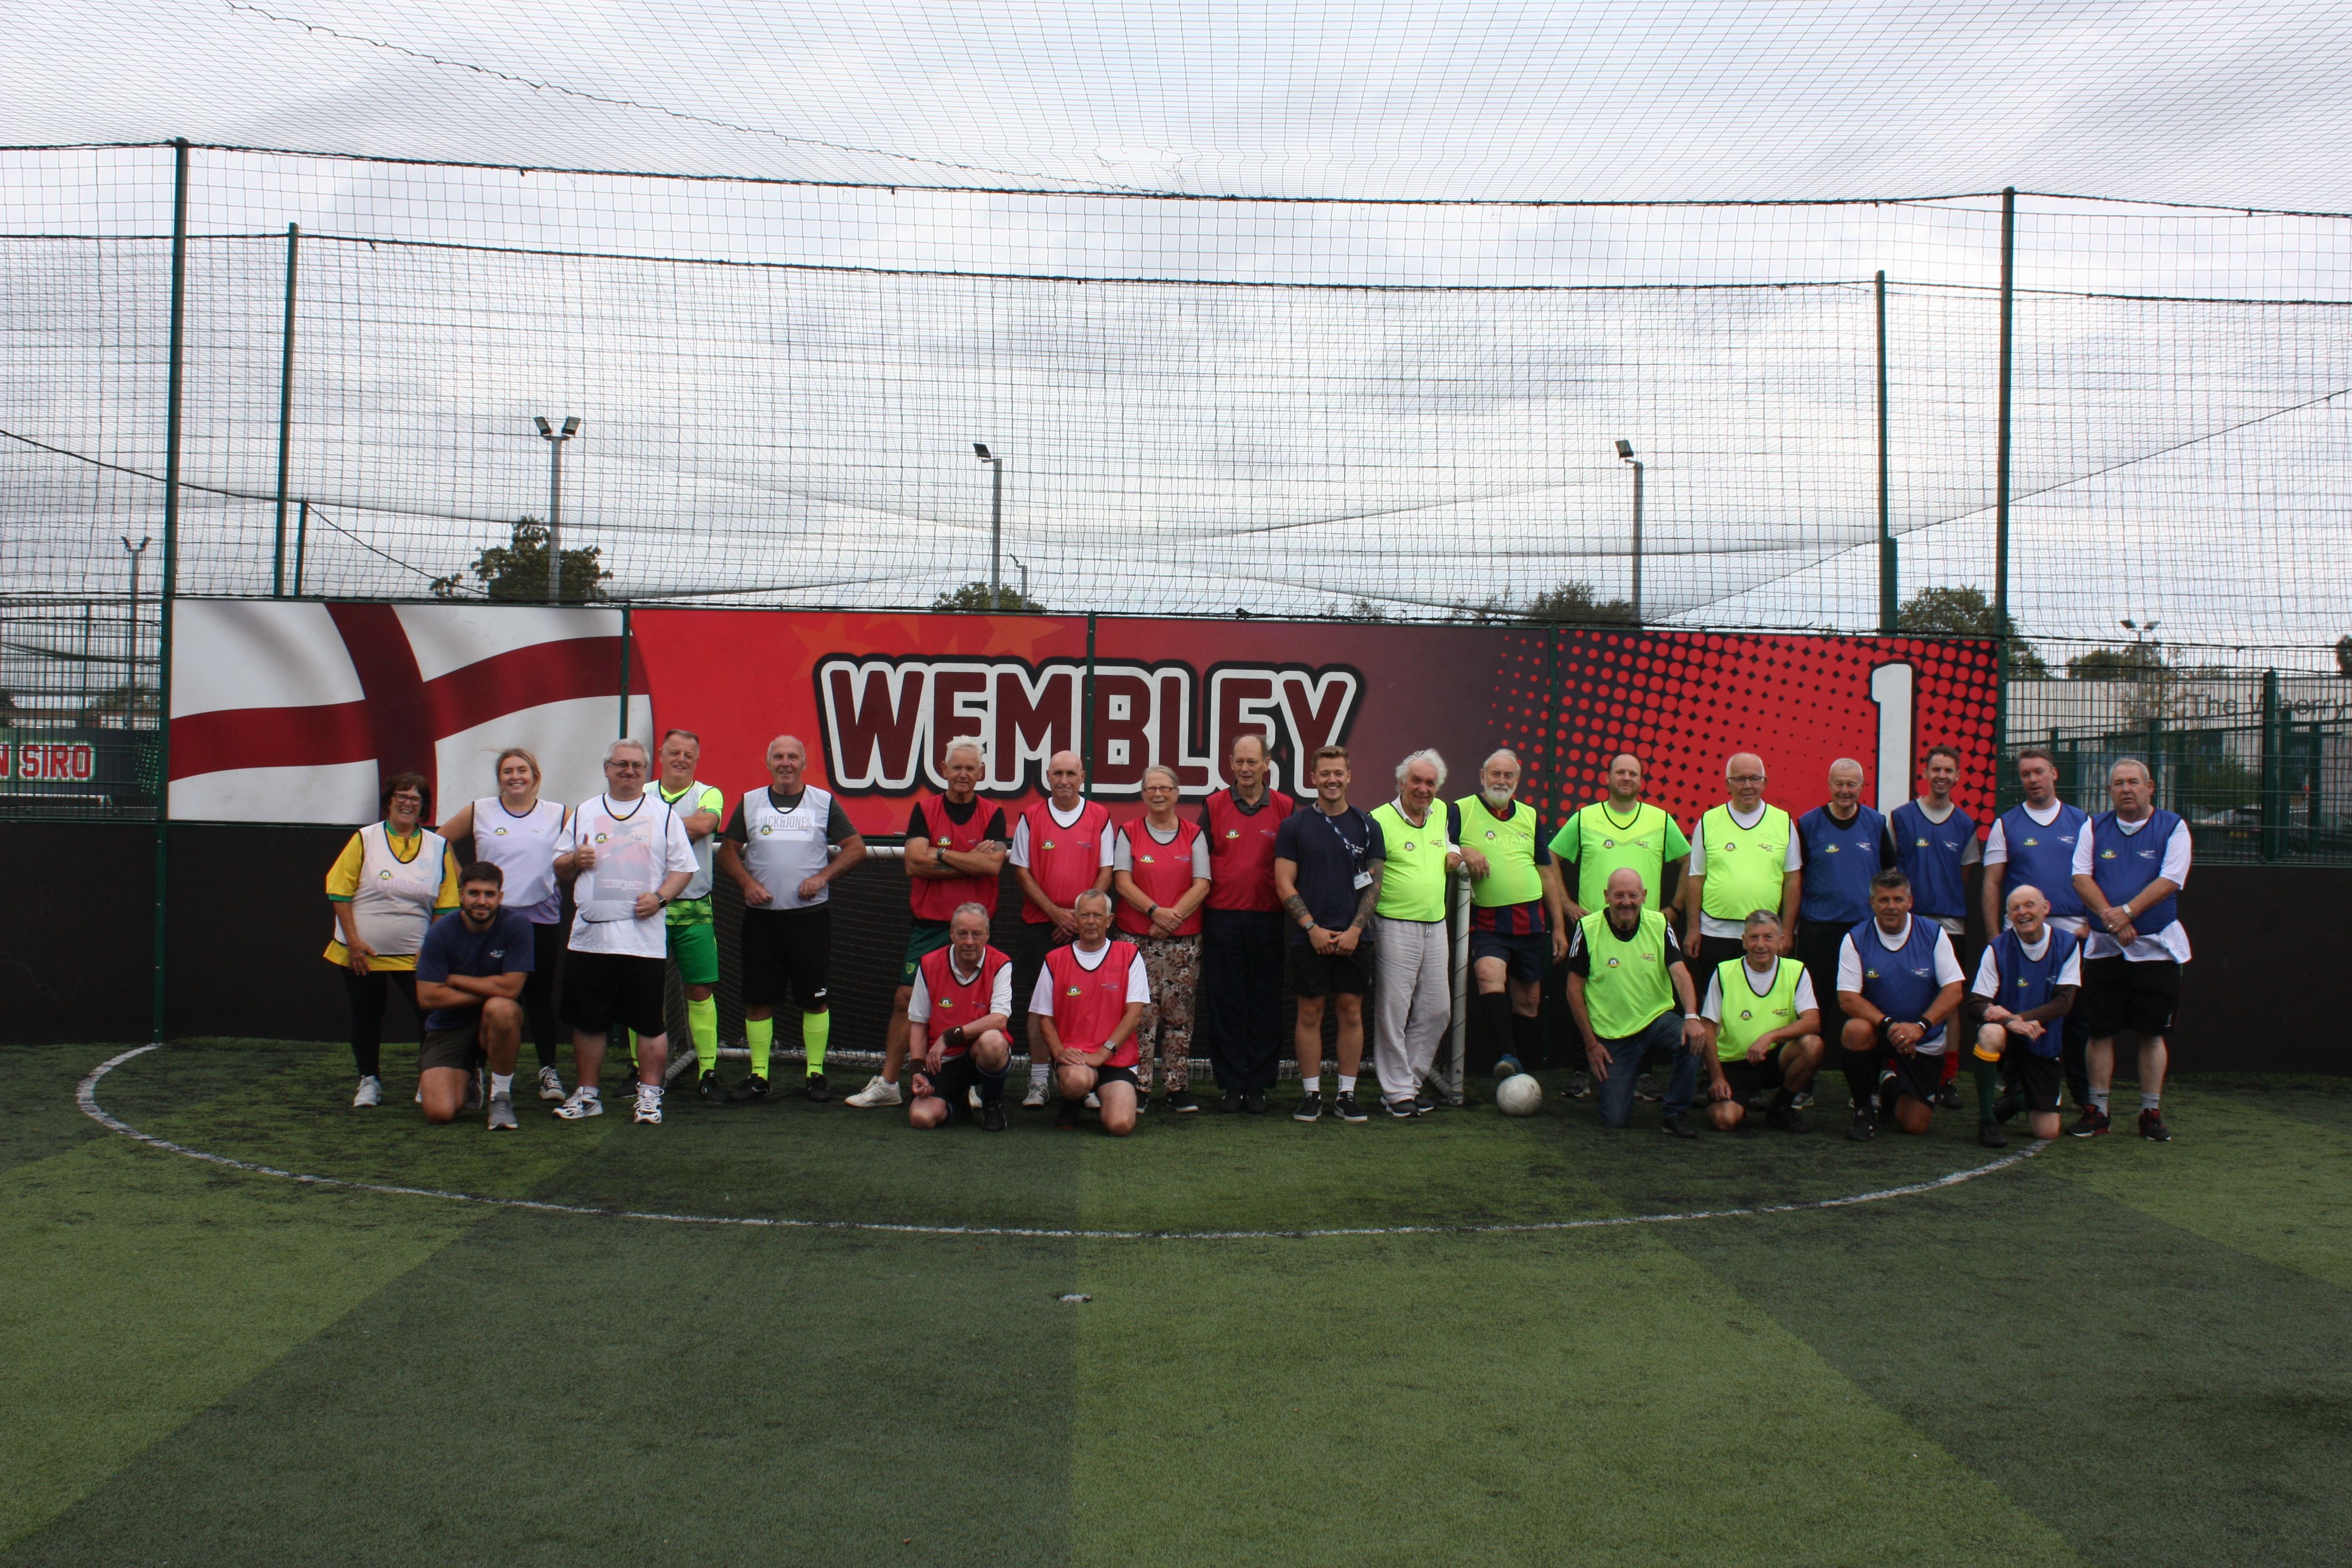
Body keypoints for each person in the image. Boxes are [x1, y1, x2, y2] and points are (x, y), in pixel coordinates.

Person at [846, 739, 1009, 1109]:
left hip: (974, 929)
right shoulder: (925, 809)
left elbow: (992, 866)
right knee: (905, 1000)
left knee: (973, 1009)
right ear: (944, 769)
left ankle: (964, 1081)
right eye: (957, 767)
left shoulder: (993, 813)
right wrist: (965, 858)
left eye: (971, 768)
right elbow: (913, 864)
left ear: (981, 773)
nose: (963, 774)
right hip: (930, 924)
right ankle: (889, 1083)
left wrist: (939, 853)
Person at [550, 738, 698, 1125]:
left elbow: (683, 868)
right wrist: (573, 860)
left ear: (646, 772)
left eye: (636, 766)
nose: (629, 771)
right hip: (590, 938)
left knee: (649, 1022)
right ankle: (588, 1095)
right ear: (607, 769)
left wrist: (661, 899)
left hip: (642, 941)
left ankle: (649, 1097)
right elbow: (559, 865)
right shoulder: (584, 811)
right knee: (589, 1021)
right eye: (621, 765)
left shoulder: (663, 815)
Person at [716, 733, 865, 1104]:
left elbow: (856, 848)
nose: (786, 763)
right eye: (779, 756)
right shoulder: (750, 802)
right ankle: (759, 1076)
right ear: (769, 763)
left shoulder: (823, 802)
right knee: (758, 998)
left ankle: (815, 1074)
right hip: (762, 919)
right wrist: (747, 882)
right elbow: (729, 851)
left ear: (804, 763)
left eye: (793, 757)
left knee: (815, 999)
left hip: (809, 919)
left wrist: (822, 877)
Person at [1550, 753, 1690, 1099]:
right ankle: (1581, 1072)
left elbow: (1690, 860)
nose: (1626, 778)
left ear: (1641, 780)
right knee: (1582, 992)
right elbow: (1551, 855)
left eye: (1633, 773)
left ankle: (1643, 1075)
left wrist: (1675, 907)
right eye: (1620, 772)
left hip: (1643, 929)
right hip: (1595, 927)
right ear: (1609, 778)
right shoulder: (1585, 818)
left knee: (1645, 999)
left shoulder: (1660, 820)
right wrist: (1566, 902)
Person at [2068, 757, 2191, 1142]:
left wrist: (2127, 913)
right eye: (2118, 783)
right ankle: (2098, 1110)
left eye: (2133, 782)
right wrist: (2111, 919)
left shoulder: (2173, 827)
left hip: (2157, 951)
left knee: (2152, 1034)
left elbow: (2170, 879)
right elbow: (2079, 876)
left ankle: (2150, 1112)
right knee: (2100, 1032)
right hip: (2105, 950)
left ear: (2150, 787)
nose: (2126, 789)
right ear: (2110, 791)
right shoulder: (2094, 825)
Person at [325, 771, 460, 1109]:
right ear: (388, 801)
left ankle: (426, 1080)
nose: (408, 802)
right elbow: (339, 892)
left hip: (415, 954)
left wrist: (429, 949)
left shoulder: (438, 846)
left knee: (428, 1015)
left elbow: (447, 904)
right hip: (361, 953)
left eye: (415, 798)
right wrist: (354, 943)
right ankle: (369, 1080)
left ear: (424, 807)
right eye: (402, 795)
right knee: (367, 1014)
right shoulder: (365, 839)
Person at [1272, 744, 1385, 1124]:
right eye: (1325, 774)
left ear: (1349, 776)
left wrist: (1355, 929)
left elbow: (1374, 884)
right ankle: (1311, 1095)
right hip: (1310, 938)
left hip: (1356, 938)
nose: (1332, 780)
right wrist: (1311, 928)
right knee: (1310, 1011)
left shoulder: (1369, 825)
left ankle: (1347, 1095)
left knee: (1351, 1012)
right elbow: (1284, 884)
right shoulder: (1295, 826)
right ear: (1313, 778)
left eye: (1339, 773)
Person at [1982, 746, 2094, 1110]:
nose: (2033, 780)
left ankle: (2081, 1094)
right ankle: (2013, 1085)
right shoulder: (2006, 824)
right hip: (2020, 939)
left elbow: (2097, 876)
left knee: (2074, 1019)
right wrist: (1994, 938)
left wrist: (2094, 922)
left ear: (2054, 774)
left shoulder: (2082, 822)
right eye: (2026, 774)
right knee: (2016, 1014)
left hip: (2071, 937)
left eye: (2039, 772)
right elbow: (1991, 884)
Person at [1563, 867, 1707, 1137]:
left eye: (1633, 895)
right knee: (1615, 1121)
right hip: (1613, 1033)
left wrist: (1691, 1017)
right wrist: (1591, 1044)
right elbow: (1573, 991)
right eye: (1619, 895)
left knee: (1692, 1039)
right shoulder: (1587, 928)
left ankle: (1675, 1115)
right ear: (1606, 897)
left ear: (1644, 896)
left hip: (1656, 1020)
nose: (1626, 902)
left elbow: (1680, 972)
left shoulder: (1660, 924)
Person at [1196, 732, 1295, 1113]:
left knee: (1266, 1003)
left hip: (1269, 919)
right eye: (1239, 761)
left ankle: (1259, 1084)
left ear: (1267, 763)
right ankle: (1232, 1084)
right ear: (1231, 763)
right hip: (1221, 918)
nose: (1245, 769)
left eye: (1252, 762)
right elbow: (1200, 862)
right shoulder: (1214, 804)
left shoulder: (1286, 807)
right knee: (1226, 1003)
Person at [1008, 749, 1113, 1108]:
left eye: (1071, 773)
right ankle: (1038, 1081)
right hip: (1042, 927)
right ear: (1047, 778)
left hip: (1088, 930)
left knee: (1089, 1005)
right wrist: (1057, 914)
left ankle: (1086, 1079)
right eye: (1058, 774)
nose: (1065, 780)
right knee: (1040, 1008)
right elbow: (1021, 871)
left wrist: (1081, 917)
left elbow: (1106, 870)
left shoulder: (1100, 817)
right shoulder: (1031, 817)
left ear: (1082, 777)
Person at [1457, 749, 1565, 1082]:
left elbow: (1547, 874)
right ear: (1482, 776)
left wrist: (1559, 927)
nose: (1501, 781)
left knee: (1529, 1001)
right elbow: (1435, 843)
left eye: (1508, 776)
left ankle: (1523, 1071)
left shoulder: (1531, 816)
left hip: (1531, 921)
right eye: (1495, 774)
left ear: (1517, 781)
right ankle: (1508, 1056)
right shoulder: (1461, 810)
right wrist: (1462, 849)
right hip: (1488, 921)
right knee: (1489, 975)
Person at [1834, 870, 1966, 1141]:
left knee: (1914, 1125)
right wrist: (1891, 1025)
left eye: (1898, 899)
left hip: (1921, 1036)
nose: (1891, 906)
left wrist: (1920, 1026)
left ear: (1910, 901)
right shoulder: (1855, 938)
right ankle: (1864, 1111)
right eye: (1884, 900)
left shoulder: (1934, 934)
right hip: (1882, 1031)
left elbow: (1954, 991)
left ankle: (1888, 1085)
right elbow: (1847, 998)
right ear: (1872, 903)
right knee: (1855, 1030)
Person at [1368, 749, 1463, 1119]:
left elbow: (1448, 844)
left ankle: (1408, 1083)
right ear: (1401, 783)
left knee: (1438, 1010)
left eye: (1430, 783)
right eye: (1417, 782)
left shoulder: (1441, 813)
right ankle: (1397, 1093)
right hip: (1393, 925)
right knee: (1393, 1012)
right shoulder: (1378, 819)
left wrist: (1456, 851)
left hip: (1436, 925)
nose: (1423, 790)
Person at [1887, 744, 1981, 1109]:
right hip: (1908, 924)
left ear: (1957, 776)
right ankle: (1895, 1070)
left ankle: (1948, 1078)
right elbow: (1891, 871)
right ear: (1925, 774)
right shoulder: (1902, 817)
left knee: (1949, 1000)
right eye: (1936, 769)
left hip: (1949, 924)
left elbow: (1964, 874)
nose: (1942, 776)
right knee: (1901, 996)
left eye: (1949, 771)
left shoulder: (1965, 824)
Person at [1793, 759, 1890, 1115]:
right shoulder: (1808, 824)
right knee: (1813, 1009)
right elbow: (1796, 875)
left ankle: (1868, 1088)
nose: (1845, 791)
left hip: (1865, 934)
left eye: (1852, 785)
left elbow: (1888, 874)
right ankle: (1803, 1085)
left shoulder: (1877, 824)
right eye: (1839, 784)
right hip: (1819, 930)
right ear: (1829, 784)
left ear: (1862, 787)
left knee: (1867, 1011)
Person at [1114, 765, 1213, 1113]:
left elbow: (1202, 884)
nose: (1158, 794)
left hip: (1183, 943)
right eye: (1151, 789)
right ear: (1142, 794)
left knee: (1179, 1016)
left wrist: (1171, 921)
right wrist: (1155, 912)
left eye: (1165, 788)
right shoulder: (1128, 832)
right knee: (1140, 1015)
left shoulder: (1194, 834)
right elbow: (1123, 883)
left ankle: (1177, 1088)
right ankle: (1138, 1087)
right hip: (1135, 941)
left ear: (1176, 792)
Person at [412, 862, 534, 1129]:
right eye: (474, 893)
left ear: (500, 897)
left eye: (489, 895)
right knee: (440, 1113)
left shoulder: (517, 926)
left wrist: (454, 980)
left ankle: (501, 1097)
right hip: (449, 1026)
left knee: (502, 1009)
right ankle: (470, 1075)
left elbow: (512, 989)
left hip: (492, 1023)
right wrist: (491, 991)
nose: (482, 901)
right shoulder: (441, 931)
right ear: (461, 895)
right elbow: (429, 998)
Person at [1969, 883, 2082, 1147]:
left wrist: (2018, 1018)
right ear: (2008, 917)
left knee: (2047, 1131)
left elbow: (2064, 1003)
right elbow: (1976, 1004)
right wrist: (2010, 1023)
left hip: (2041, 1040)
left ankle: (2016, 1099)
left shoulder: (2066, 944)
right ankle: (1987, 1121)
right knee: (1989, 1032)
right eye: (2015, 908)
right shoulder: (1998, 948)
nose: (2023, 912)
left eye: (2029, 905)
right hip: (2008, 1036)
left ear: (2045, 909)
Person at [1035, 890, 1150, 1136]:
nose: (1090, 921)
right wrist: (1059, 1053)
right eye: (1084, 915)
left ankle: (1102, 1095)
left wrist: (1103, 1053)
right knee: (1077, 1081)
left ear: (1109, 920)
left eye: (1098, 915)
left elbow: (1135, 1015)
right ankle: (1073, 1099)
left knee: (1120, 1126)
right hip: (1075, 1060)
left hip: (1116, 1059)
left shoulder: (1129, 955)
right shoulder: (1054, 960)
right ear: (1075, 919)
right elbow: (1044, 1018)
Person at [651, 729, 727, 1100]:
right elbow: (690, 826)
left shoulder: (708, 794)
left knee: (699, 989)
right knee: (646, 989)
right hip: (648, 909)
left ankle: (708, 1070)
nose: (681, 759)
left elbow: (704, 825)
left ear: (696, 760)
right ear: (661, 755)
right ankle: (641, 1070)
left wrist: (647, 827)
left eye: (688, 755)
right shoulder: (645, 792)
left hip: (696, 908)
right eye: (674, 752)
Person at [1698, 910, 1822, 1133]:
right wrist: (1716, 1077)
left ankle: (1780, 1108)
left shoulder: (1796, 971)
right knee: (1724, 1120)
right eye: (1754, 937)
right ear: (1744, 941)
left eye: (1768, 937)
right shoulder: (1724, 972)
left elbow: (1813, 1022)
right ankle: (1738, 1102)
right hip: (1734, 1064)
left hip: (1775, 1058)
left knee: (1813, 1046)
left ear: (1781, 941)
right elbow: (1707, 1028)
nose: (1761, 945)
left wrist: (1769, 1037)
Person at [905, 903, 1015, 1131]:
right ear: (952, 934)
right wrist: (917, 1069)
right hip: (942, 1061)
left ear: (987, 935)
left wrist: (948, 1037)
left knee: (993, 1041)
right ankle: (957, 1101)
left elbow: (999, 1020)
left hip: (978, 1053)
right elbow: (918, 1023)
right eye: (962, 934)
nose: (969, 942)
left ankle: (992, 1104)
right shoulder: (928, 964)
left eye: (976, 934)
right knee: (921, 1118)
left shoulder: (1001, 963)